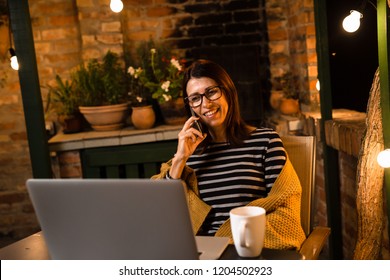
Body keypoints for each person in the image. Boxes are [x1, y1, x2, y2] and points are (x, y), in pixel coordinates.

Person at [152, 59, 306, 250]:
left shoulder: (265, 141)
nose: (206, 104)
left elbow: (286, 207)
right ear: (190, 106)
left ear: (228, 92)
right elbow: (159, 213)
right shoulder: (188, 154)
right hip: (202, 255)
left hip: (250, 251)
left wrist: (228, 243)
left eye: (212, 92)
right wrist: (180, 158)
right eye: (195, 98)